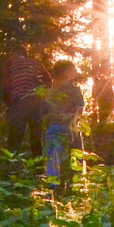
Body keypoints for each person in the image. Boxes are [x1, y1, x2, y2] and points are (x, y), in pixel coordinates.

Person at [37, 59, 87, 193]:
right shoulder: (74, 90)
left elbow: (42, 115)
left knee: (53, 162)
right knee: (76, 160)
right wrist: (72, 123)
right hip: (71, 129)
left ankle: (52, 194)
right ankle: (76, 190)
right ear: (68, 72)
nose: (76, 72)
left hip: (52, 129)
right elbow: (79, 109)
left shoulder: (48, 91)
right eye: (73, 69)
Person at [1, 49, 50, 155]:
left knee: (15, 135)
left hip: (19, 100)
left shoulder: (9, 64)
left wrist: (7, 102)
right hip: (35, 100)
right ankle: (38, 167)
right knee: (36, 136)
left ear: (14, 54)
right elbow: (49, 81)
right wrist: (42, 91)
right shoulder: (36, 63)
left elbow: (6, 84)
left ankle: (11, 165)